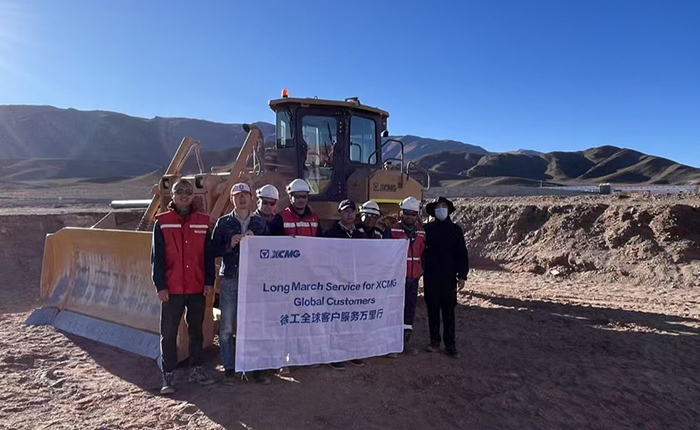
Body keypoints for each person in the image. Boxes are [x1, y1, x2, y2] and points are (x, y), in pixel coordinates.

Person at [151, 178, 215, 395]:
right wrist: (160, 286)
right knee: (168, 333)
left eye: (188, 192)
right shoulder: (162, 222)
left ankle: (196, 369)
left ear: (193, 195)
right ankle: (168, 374)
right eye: (180, 191)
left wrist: (209, 282)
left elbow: (208, 256)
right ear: (172, 195)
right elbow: (157, 258)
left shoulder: (203, 222)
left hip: (197, 287)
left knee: (196, 331)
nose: (184, 195)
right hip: (172, 289)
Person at [212, 183, 270, 384]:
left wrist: (258, 242)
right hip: (231, 278)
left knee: (254, 325)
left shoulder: (260, 224)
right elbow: (213, 249)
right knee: (227, 327)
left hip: (254, 281)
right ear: (232, 199)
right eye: (238, 195)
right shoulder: (223, 223)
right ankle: (230, 367)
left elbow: (270, 251)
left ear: (252, 198)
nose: (242, 198)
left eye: (246, 195)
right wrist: (229, 245)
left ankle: (254, 367)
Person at [422, 196, 469, 359]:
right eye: (437, 207)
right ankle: (434, 341)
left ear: (448, 209)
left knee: (449, 311)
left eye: (443, 206)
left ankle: (450, 344)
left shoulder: (456, 230)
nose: (440, 209)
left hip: (449, 277)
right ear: (433, 211)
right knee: (432, 310)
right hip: (430, 276)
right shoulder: (427, 229)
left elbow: (462, 253)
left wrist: (462, 275)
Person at [323, 199, 366, 370]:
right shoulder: (330, 233)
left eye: (352, 211)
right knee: (336, 319)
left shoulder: (360, 235)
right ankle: (334, 354)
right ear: (340, 212)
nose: (349, 214)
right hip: (336, 283)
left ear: (356, 213)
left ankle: (352, 352)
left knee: (353, 318)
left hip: (354, 283)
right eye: (346, 211)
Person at [383, 197, 425, 356]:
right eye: (407, 213)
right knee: (393, 311)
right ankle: (390, 344)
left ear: (417, 215)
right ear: (401, 213)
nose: (409, 217)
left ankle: (405, 343)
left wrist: (421, 270)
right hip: (396, 280)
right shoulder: (391, 231)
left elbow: (424, 254)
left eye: (413, 214)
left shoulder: (421, 232)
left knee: (409, 311)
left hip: (413, 279)